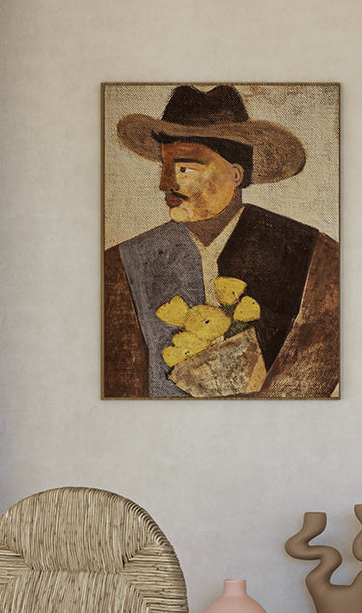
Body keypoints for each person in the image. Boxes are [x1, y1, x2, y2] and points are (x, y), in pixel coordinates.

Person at [103, 85, 339, 398]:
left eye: (185, 168)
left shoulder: (316, 256)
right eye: (164, 167)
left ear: (236, 175)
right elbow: (119, 388)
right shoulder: (122, 263)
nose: (166, 184)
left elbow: (315, 370)